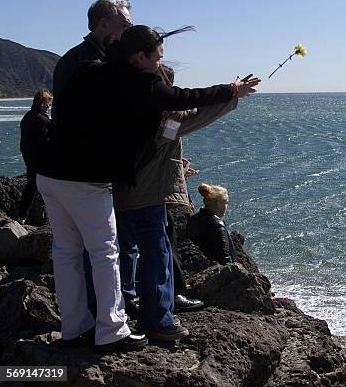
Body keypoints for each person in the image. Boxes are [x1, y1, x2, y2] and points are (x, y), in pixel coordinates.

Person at [37, 24, 260, 348]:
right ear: (140, 57)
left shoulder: (99, 74)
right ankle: (147, 321)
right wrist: (231, 93)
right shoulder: (150, 97)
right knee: (136, 253)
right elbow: (186, 108)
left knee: (79, 253)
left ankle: (88, 322)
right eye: (156, 59)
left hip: (66, 175)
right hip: (116, 188)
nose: (158, 66)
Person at [114, 63, 239, 318]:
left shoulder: (130, 110)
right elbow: (191, 118)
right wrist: (231, 94)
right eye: (168, 87)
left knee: (129, 249)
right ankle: (160, 313)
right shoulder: (162, 118)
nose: (171, 93)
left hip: (124, 190)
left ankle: (129, 301)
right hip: (145, 195)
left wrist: (178, 172)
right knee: (157, 251)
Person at [52, 0, 133, 320]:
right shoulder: (94, 64)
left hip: (55, 169)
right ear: (104, 24)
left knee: (66, 253)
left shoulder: (70, 58)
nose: (128, 31)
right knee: (104, 251)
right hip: (83, 173)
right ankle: (112, 327)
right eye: (125, 25)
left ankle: (74, 327)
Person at [18, 89, 52, 221]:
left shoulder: (28, 116)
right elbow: (45, 141)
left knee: (31, 185)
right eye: (45, 103)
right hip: (39, 159)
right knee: (47, 187)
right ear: (39, 103)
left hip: (29, 157)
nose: (48, 106)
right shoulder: (40, 119)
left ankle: (22, 214)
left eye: (49, 104)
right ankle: (48, 216)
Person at [186, 183, 237, 265]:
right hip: (217, 270)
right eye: (226, 203)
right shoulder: (218, 225)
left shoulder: (193, 219)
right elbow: (225, 258)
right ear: (218, 204)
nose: (227, 206)